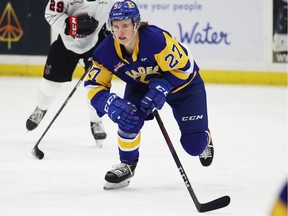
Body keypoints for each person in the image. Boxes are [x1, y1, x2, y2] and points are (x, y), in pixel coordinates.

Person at [84, 0, 214, 189]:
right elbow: (93, 85)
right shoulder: (105, 51)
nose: (120, 32)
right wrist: (109, 104)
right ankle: (127, 165)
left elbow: (186, 66)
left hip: (183, 86)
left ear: (136, 24)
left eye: (126, 26)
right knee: (127, 117)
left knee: (194, 145)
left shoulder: (156, 40)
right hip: (141, 86)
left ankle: (205, 138)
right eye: (116, 26)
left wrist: (165, 85)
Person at [26, 0, 117, 147]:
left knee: (97, 84)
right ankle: (41, 108)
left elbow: (123, 12)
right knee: (50, 84)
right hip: (66, 43)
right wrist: (70, 25)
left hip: (96, 43)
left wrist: (112, 28)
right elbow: (51, 14)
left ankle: (96, 120)